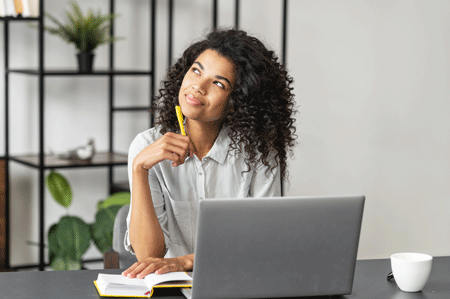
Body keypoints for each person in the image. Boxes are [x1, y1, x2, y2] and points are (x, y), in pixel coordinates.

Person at [122, 28, 296, 279]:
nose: (198, 87)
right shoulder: (146, 146)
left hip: (239, 283)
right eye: (196, 70)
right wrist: (139, 168)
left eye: (218, 83)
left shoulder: (258, 154)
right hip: (171, 289)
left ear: (238, 101)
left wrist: (185, 261)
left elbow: (263, 245)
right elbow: (149, 256)